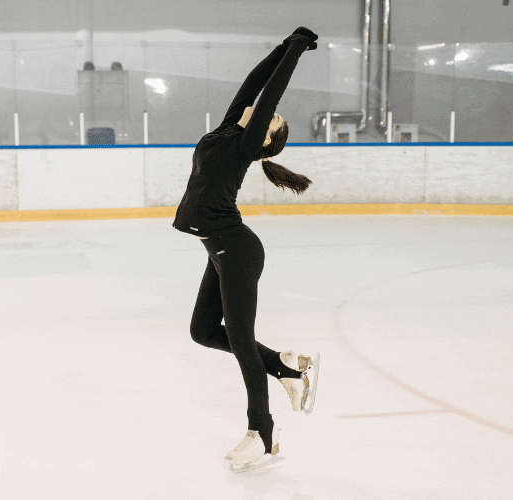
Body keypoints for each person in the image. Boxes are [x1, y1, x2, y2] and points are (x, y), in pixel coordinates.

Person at [172, 27, 321, 473]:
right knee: (203, 331)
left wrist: (295, 50)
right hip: (219, 249)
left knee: (238, 339)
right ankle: (283, 365)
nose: (267, 114)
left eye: (271, 121)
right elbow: (253, 86)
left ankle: (262, 433)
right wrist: (278, 46)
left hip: (236, 251)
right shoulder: (226, 130)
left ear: (263, 141)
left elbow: (270, 92)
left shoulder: (242, 145)